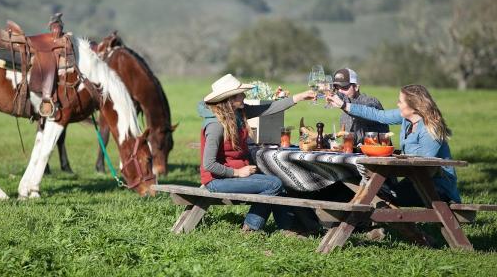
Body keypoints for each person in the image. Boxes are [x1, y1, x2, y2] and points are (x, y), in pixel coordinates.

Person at [197, 73, 315, 232]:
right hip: (216, 180)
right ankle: (251, 227)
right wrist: (237, 172)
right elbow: (209, 164)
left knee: (282, 178)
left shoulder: (238, 113)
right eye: (240, 93)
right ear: (230, 99)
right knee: (274, 184)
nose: (244, 95)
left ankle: (289, 229)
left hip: (232, 174)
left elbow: (270, 107)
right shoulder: (215, 125)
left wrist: (299, 97)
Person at [326, 84, 461, 205]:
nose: (397, 104)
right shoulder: (406, 118)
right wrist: (344, 105)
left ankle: (399, 229)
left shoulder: (429, 130)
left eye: (400, 101)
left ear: (414, 106)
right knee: (376, 189)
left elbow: (424, 167)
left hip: (437, 189)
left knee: (380, 192)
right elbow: (378, 115)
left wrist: (392, 162)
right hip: (415, 182)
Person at [332, 68, 389, 146]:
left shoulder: (371, 102)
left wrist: (343, 105)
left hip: (377, 154)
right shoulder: (344, 110)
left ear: (356, 87)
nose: (340, 91)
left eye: (345, 88)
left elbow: (366, 112)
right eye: (337, 88)